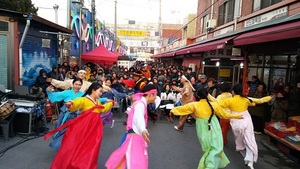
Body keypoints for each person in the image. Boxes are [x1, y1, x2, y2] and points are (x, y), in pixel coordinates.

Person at [44, 83, 114, 169]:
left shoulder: (97, 101)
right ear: (93, 90)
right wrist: (71, 103)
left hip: (95, 129)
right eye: (100, 91)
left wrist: (111, 103)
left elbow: (102, 108)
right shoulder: (85, 100)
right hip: (84, 128)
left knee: (90, 148)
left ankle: (86, 165)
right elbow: (77, 102)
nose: (101, 93)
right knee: (78, 146)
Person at [170, 88, 242, 169]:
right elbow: (224, 114)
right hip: (214, 126)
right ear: (207, 95)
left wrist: (172, 110)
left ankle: (210, 165)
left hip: (202, 128)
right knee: (216, 147)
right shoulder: (213, 105)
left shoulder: (195, 105)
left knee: (208, 148)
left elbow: (183, 109)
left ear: (197, 96)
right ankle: (211, 165)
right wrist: (236, 116)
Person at [216, 84, 272, 169]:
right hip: (246, 119)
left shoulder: (229, 100)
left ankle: (245, 156)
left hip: (236, 120)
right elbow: (259, 100)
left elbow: (217, 104)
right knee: (249, 140)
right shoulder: (246, 99)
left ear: (233, 91)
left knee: (240, 139)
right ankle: (250, 160)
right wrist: (269, 97)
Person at [105, 84, 158, 169]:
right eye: (155, 95)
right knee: (136, 163)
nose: (156, 97)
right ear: (150, 94)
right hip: (134, 138)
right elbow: (138, 117)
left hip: (134, 136)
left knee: (129, 160)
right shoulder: (140, 104)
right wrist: (143, 129)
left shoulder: (140, 103)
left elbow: (135, 115)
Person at [46, 78, 84, 151]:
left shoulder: (83, 95)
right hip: (64, 115)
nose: (77, 86)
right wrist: (49, 91)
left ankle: (68, 149)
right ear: (73, 84)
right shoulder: (67, 92)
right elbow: (56, 96)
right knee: (60, 130)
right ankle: (61, 147)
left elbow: (90, 102)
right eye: (76, 84)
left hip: (76, 117)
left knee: (72, 133)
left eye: (79, 85)